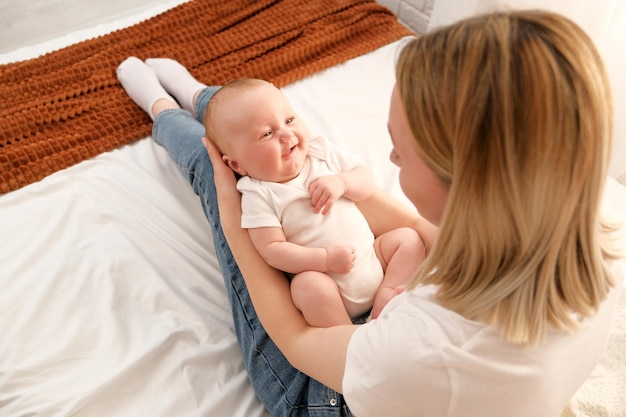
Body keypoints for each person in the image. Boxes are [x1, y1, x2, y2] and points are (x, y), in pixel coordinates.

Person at [117, 9, 624, 417]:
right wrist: (327, 177)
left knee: (225, 174)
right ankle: (211, 99)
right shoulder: (583, 248)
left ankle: (165, 108)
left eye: (400, 147)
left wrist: (232, 217)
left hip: (332, 388)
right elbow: (415, 225)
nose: (391, 158)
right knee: (281, 140)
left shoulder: (423, 353)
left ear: (465, 180)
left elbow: (296, 342)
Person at [205, 77, 424, 326]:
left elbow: (365, 181)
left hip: (373, 259)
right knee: (307, 286)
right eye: (267, 134)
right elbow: (272, 251)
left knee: (408, 239)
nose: (287, 135)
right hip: (329, 285)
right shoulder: (259, 194)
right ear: (236, 165)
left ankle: (388, 291)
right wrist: (325, 259)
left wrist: (342, 183)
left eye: (289, 120)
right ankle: (345, 333)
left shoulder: (319, 153)